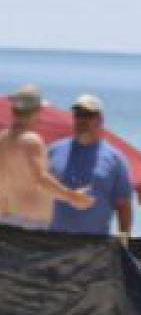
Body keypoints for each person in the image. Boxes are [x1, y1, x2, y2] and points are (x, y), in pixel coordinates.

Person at [0, 85, 94, 228]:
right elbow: (40, 178)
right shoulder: (31, 140)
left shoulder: (3, 138)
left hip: (7, 218)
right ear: (37, 111)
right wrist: (72, 197)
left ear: (13, 110)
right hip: (29, 223)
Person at [48, 94, 134, 242]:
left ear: (100, 120)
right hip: (54, 244)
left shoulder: (115, 160)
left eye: (88, 115)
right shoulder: (54, 151)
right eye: (78, 115)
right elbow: (38, 190)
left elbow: (124, 205)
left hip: (94, 247)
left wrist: (124, 240)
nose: (82, 120)